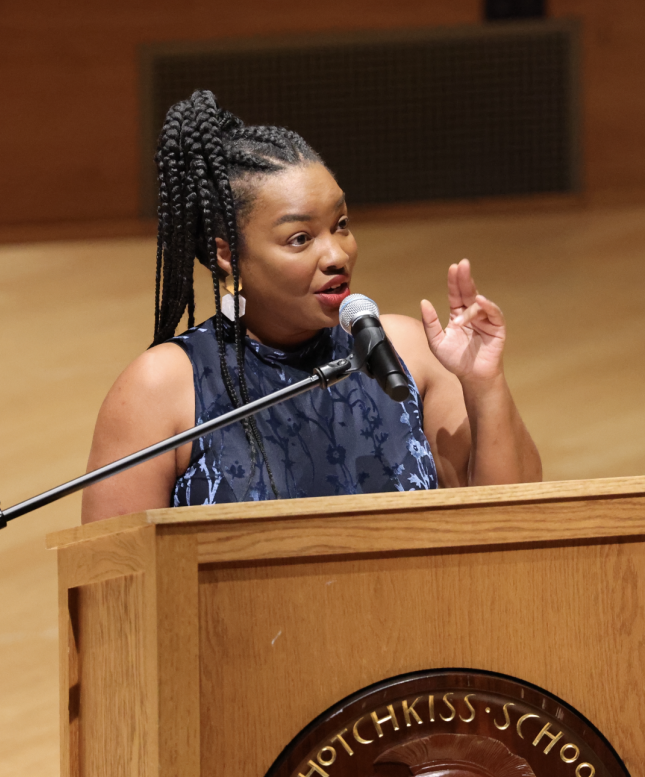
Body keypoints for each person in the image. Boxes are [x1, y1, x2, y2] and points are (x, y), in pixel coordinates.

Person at [80, 91, 540, 523]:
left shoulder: (407, 355)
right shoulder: (162, 387)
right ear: (227, 254)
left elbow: (509, 526)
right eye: (300, 238)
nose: (337, 254)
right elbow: (114, 583)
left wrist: (483, 384)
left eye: (340, 224)